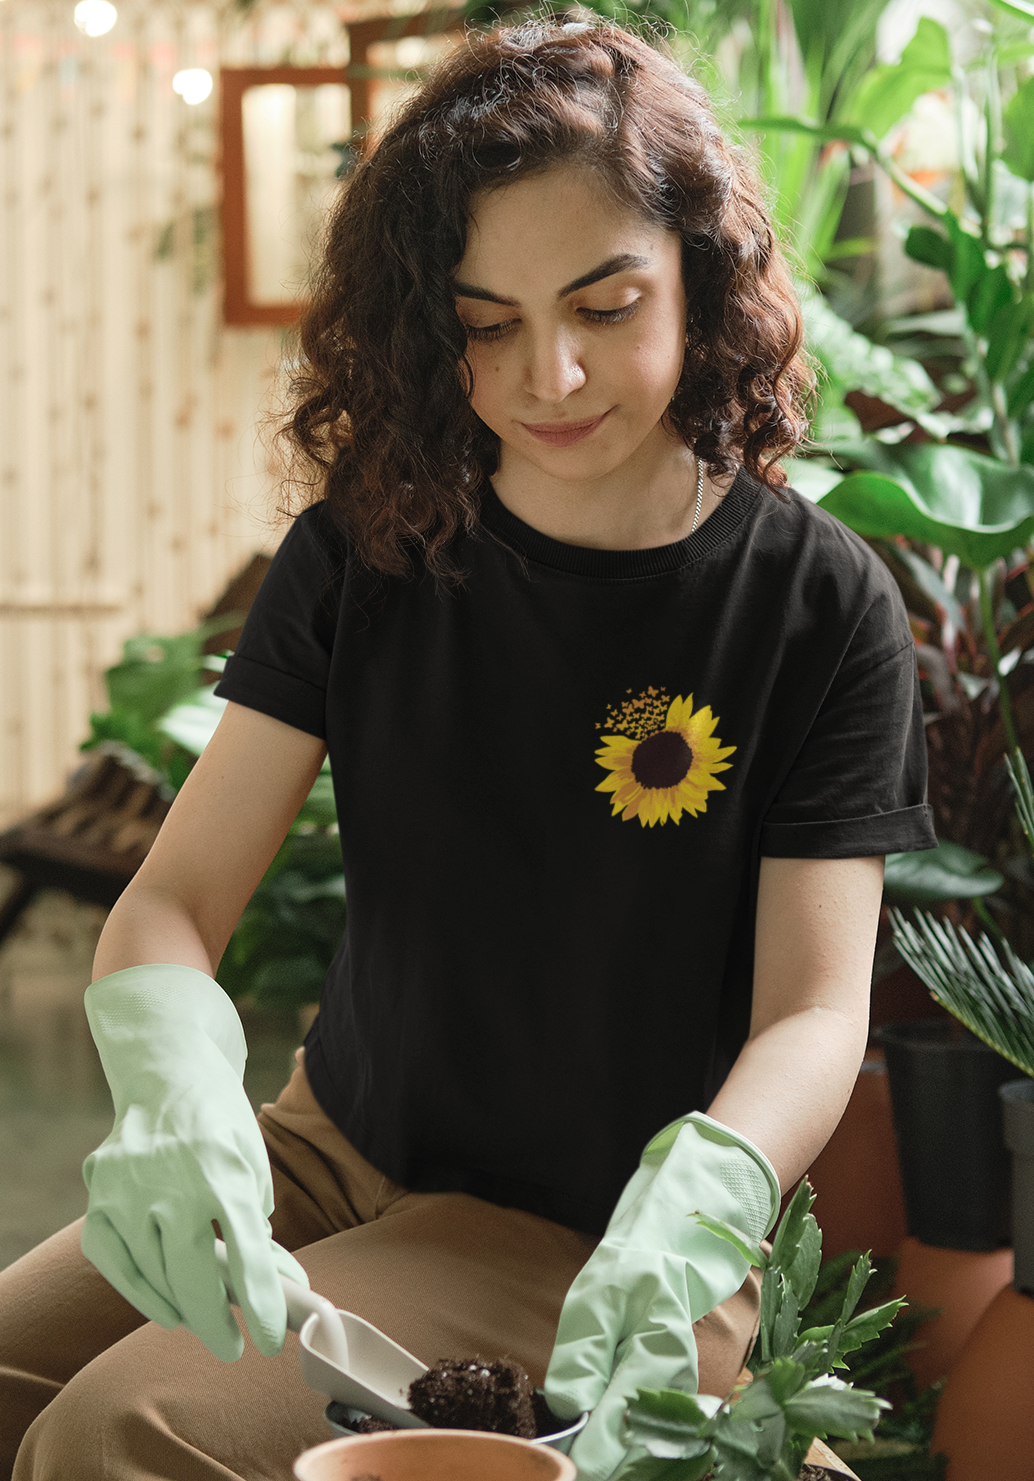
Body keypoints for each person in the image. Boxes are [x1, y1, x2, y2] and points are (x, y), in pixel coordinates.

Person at [0, 19, 935, 1481]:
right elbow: (175, 901)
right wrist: (178, 1089)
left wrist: (703, 1198)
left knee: (119, 1437)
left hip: (598, 1229)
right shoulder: (366, 554)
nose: (548, 374)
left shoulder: (813, 606)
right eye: (484, 322)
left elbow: (813, 1017)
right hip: (332, 1145)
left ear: (699, 278)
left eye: (604, 304)